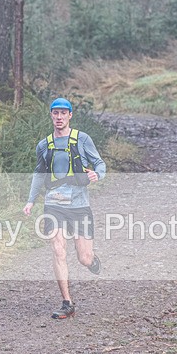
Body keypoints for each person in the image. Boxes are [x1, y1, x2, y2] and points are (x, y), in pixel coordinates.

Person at [23, 97, 106, 320]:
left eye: (63, 113)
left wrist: (97, 173)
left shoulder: (82, 139)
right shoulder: (44, 144)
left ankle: (93, 261)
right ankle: (67, 303)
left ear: (70, 116)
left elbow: (99, 163)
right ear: (51, 116)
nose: (59, 117)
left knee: (84, 258)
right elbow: (39, 174)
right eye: (55, 113)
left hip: (79, 205)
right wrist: (31, 200)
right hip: (53, 205)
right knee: (58, 250)